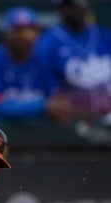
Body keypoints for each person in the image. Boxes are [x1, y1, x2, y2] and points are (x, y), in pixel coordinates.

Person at [0, 6, 74, 123]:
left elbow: (54, 96)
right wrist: (42, 107)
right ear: (7, 35)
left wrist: (60, 106)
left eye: (30, 31)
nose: (25, 37)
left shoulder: (42, 58)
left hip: (39, 136)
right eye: (18, 31)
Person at [36, 0, 111, 135]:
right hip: (72, 124)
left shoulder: (105, 36)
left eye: (83, 4)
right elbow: (49, 93)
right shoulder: (47, 43)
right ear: (62, 8)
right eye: (73, 5)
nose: (79, 9)